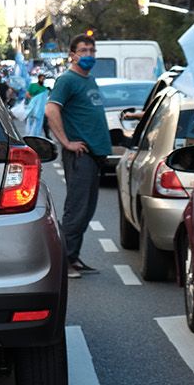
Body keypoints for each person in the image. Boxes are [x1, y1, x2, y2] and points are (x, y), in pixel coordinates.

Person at [45, 34, 113, 280]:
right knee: (76, 210)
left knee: (86, 210)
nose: (88, 55)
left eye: (92, 51)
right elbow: (51, 109)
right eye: (83, 51)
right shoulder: (67, 80)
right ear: (72, 55)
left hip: (94, 155)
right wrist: (66, 142)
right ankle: (64, 262)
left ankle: (73, 257)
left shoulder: (88, 79)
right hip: (80, 156)